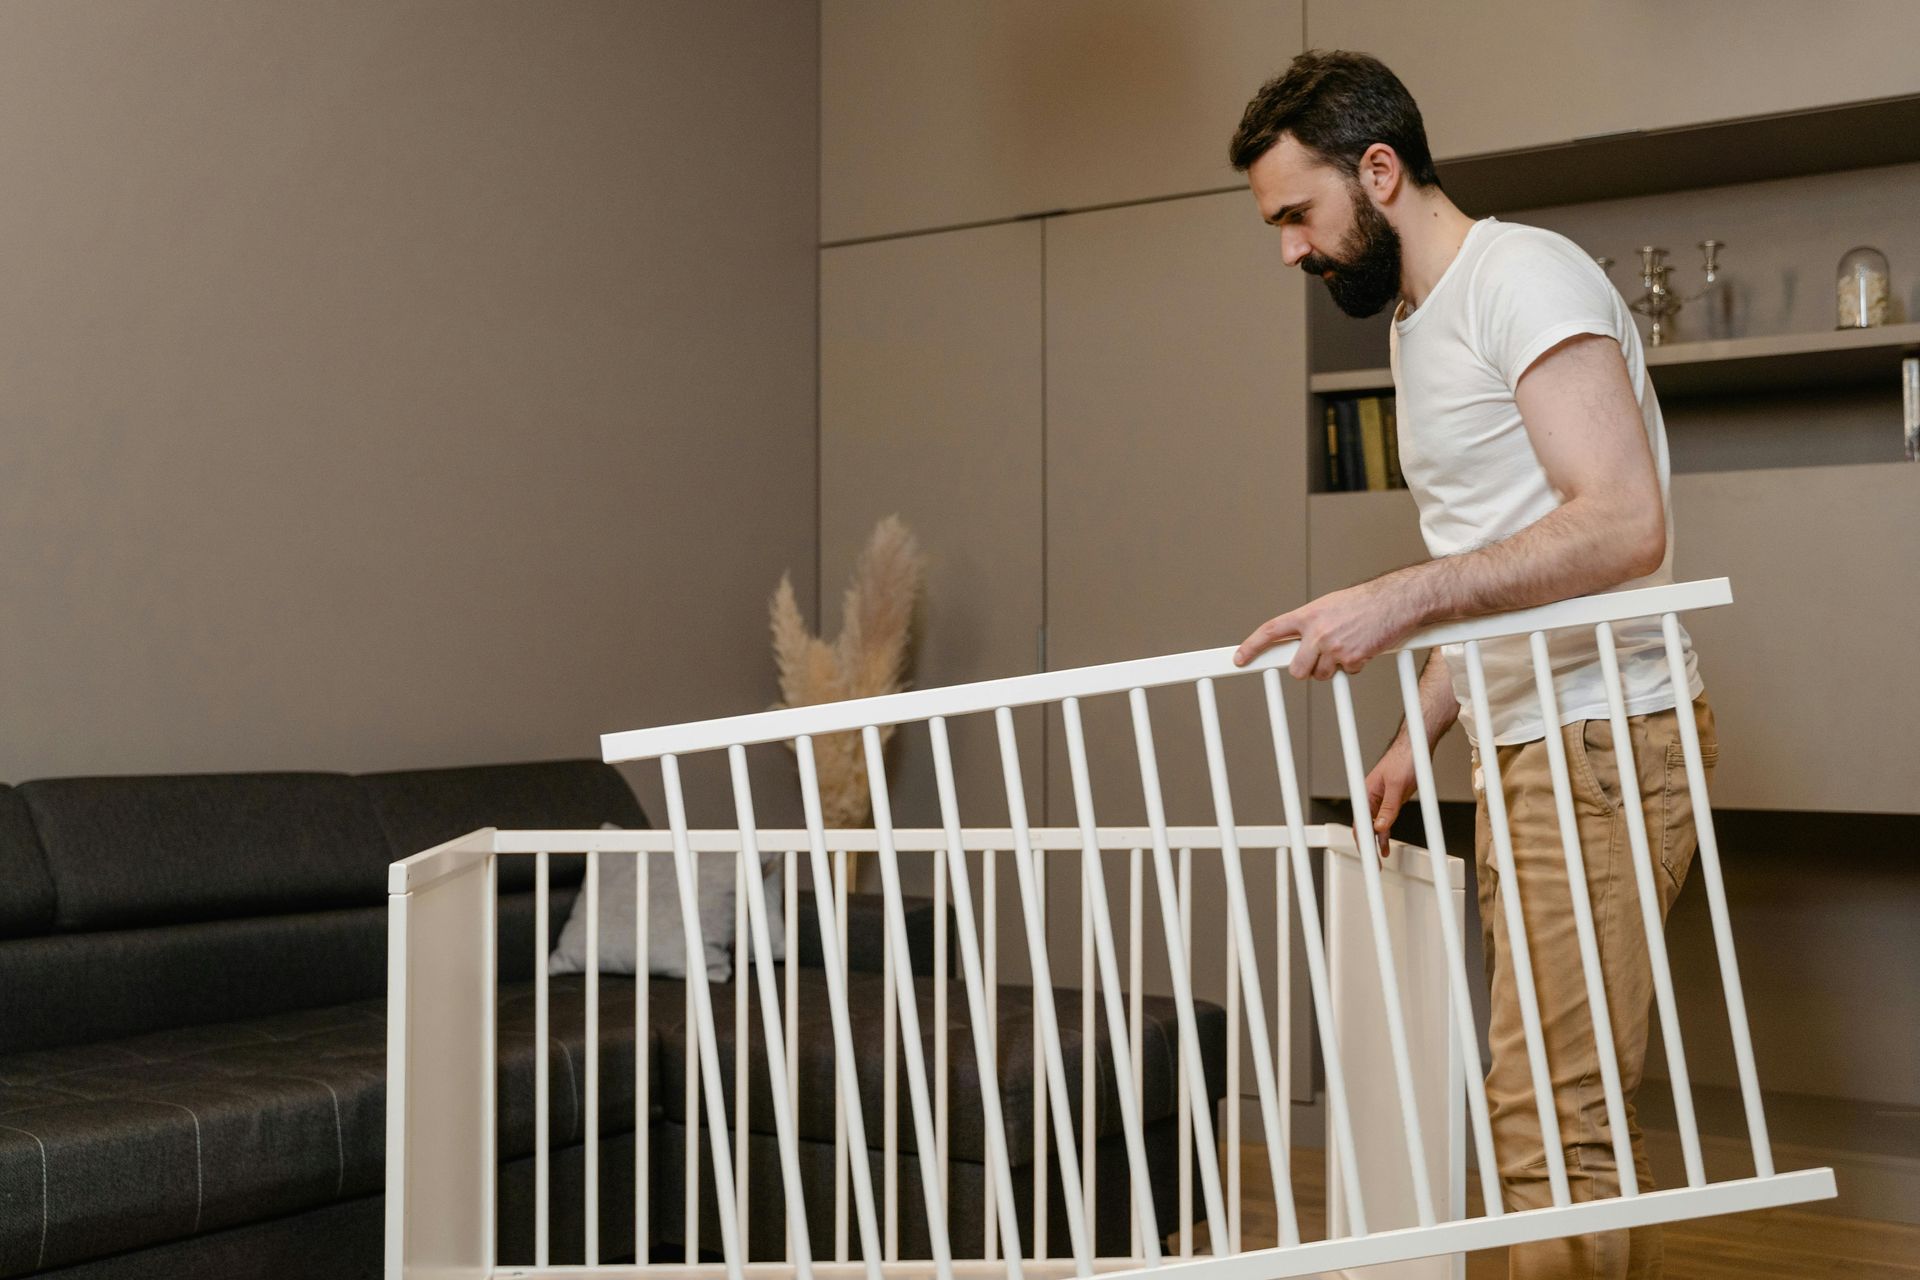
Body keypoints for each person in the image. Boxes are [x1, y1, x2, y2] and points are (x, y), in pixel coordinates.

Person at [1224, 50, 1717, 1280]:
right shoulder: (1416, 318)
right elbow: (1508, 558)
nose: (1289, 249)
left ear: (1378, 170)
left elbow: (1620, 521)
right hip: (1526, 736)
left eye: (1298, 213)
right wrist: (1418, 731)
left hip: (1599, 731)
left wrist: (1395, 599)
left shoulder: (1522, 276)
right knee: (1545, 1109)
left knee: (1553, 1123)